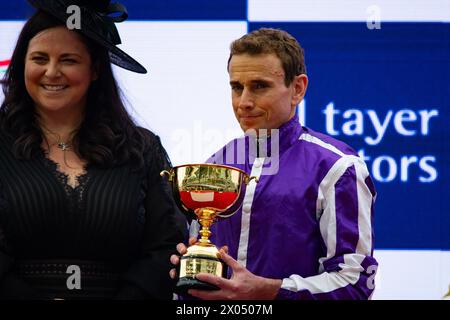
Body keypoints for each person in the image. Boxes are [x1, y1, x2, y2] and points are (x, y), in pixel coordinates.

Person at [170, 28, 378, 300]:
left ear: (298, 89)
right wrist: (189, 279)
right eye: (236, 87)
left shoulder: (338, 168)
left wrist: (270, 292)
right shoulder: (217, 163)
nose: (243, 102)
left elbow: (355, 284)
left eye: (259, 86)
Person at [0, 0, 186, 299]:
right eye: (39, 58)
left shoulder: (141, 148)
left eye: (68, 60)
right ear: (22, 64)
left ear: (96, 68)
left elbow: (165, 247)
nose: (51, 72)